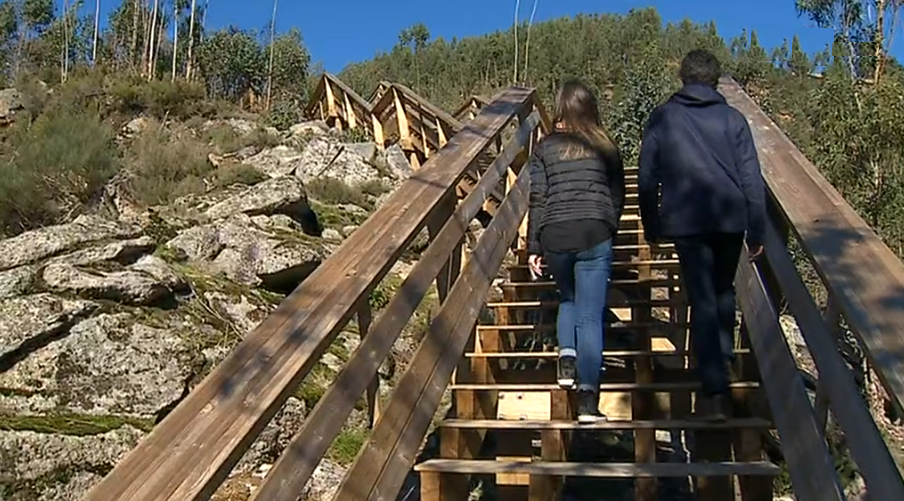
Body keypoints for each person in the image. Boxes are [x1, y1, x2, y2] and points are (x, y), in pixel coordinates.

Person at [637, 49, 766, 421]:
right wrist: (756, 227)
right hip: (729, 218)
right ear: (715, 79)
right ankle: (722, 362)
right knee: (723, 293)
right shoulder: (733, 119)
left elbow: (647, 178)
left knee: (703, 298)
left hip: (686, 221)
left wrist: (652, 225)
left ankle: (713, 392)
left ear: (682, 77)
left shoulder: (663, 117)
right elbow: (751, 179)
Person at [527, 79, 625, 424]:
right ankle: (587, 401)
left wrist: (533, 246)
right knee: (590, 316)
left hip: (555, 232)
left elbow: (537, 198)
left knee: (567, 299)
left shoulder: (544, 147)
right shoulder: (605, 145)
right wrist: (608, 224)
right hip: (594, 232)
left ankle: (565, 360)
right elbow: (618, 194)